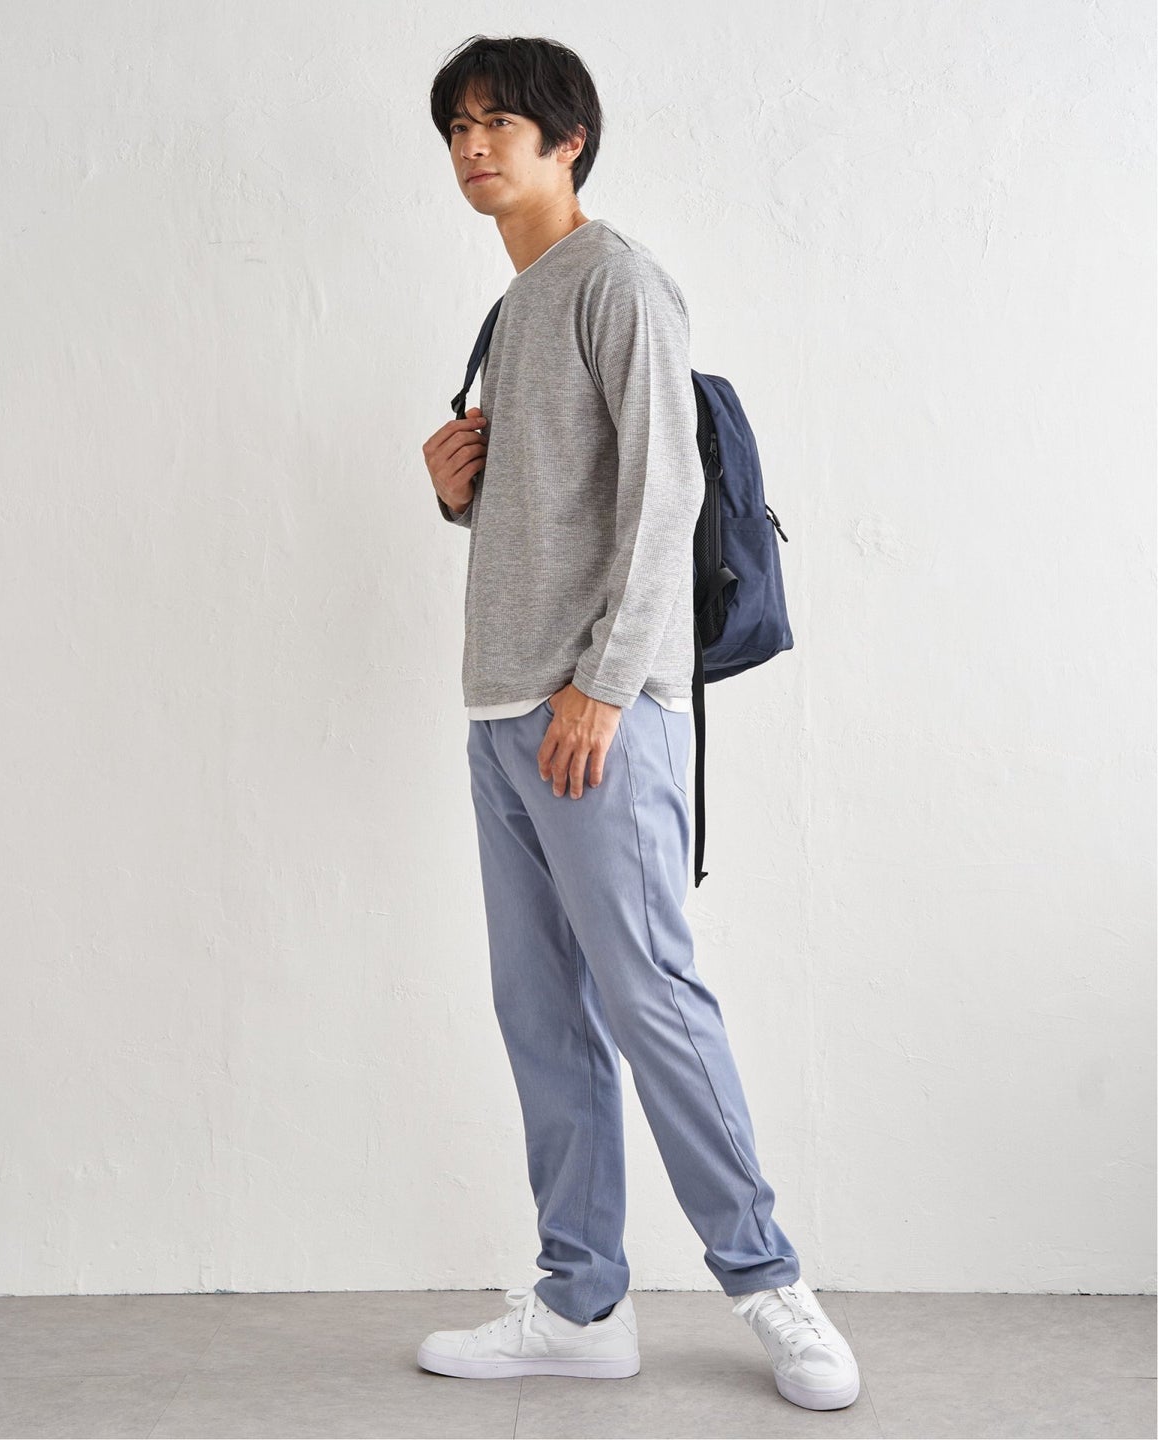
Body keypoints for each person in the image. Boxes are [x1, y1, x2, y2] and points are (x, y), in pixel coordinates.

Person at [417, 33, 861, 1412]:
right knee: (541, 1013)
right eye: (458, 128)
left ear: (569, 143)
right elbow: (557, 509)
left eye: (501, 124)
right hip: (503, 710)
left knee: (652, 1000)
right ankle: (579, 1301)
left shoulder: (615, 278)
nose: (474, 146)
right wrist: (454, 492)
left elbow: (668, 496)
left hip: (593, 715)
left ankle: (770, 1282)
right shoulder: (513, 310)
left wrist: (606, 688)